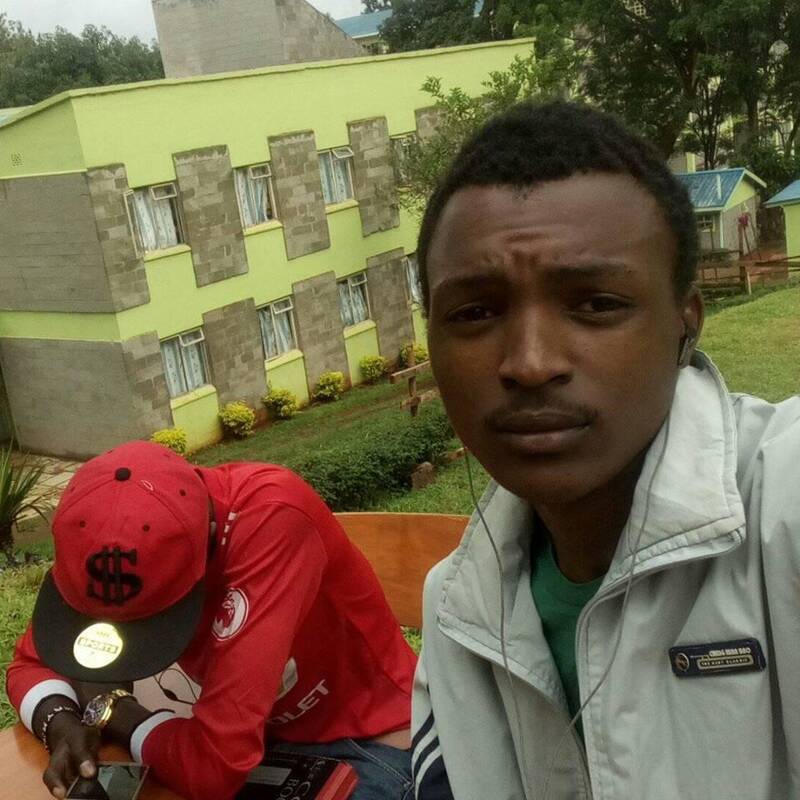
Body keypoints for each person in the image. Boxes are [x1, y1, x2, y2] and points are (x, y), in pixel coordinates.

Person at [410, 100, 800, 798]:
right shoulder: (460, 609)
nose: (530, 363)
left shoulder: (783, 505)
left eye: (595, 303)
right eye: (475, 312)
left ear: (685, 326)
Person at [6, 441, 416, 800]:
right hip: (238, 738)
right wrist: (59, 721)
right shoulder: (106, 534)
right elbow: (32, 662)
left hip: (363, 741)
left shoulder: (273, 520)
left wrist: (113, 710)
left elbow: (216, 767)